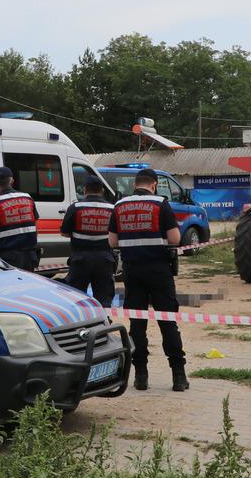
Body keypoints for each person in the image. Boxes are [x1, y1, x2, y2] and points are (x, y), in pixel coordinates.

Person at [108, 168, 187, 392]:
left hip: (133, 272)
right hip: (159, 272)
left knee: (137, 325)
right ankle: (178, 377)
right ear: (154, 184)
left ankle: (140, 376)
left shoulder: (120, 206)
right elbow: (175, 238)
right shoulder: (160, 204)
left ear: (135, 184)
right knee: (168, 322)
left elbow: (112, 241)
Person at [60, 175, 116, 307]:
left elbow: (64, 232)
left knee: (76, 298)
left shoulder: (75, 207)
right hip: (105, 259)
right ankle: (103, 324)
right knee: (104, 300)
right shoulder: (112, 209)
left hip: (80, 260)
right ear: (102, 190)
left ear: (85, 190)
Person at [0, 166, 39, 270]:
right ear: (12, 181)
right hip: (30, 255)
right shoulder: (28, 198)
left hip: (9, 258)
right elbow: (35, 224)